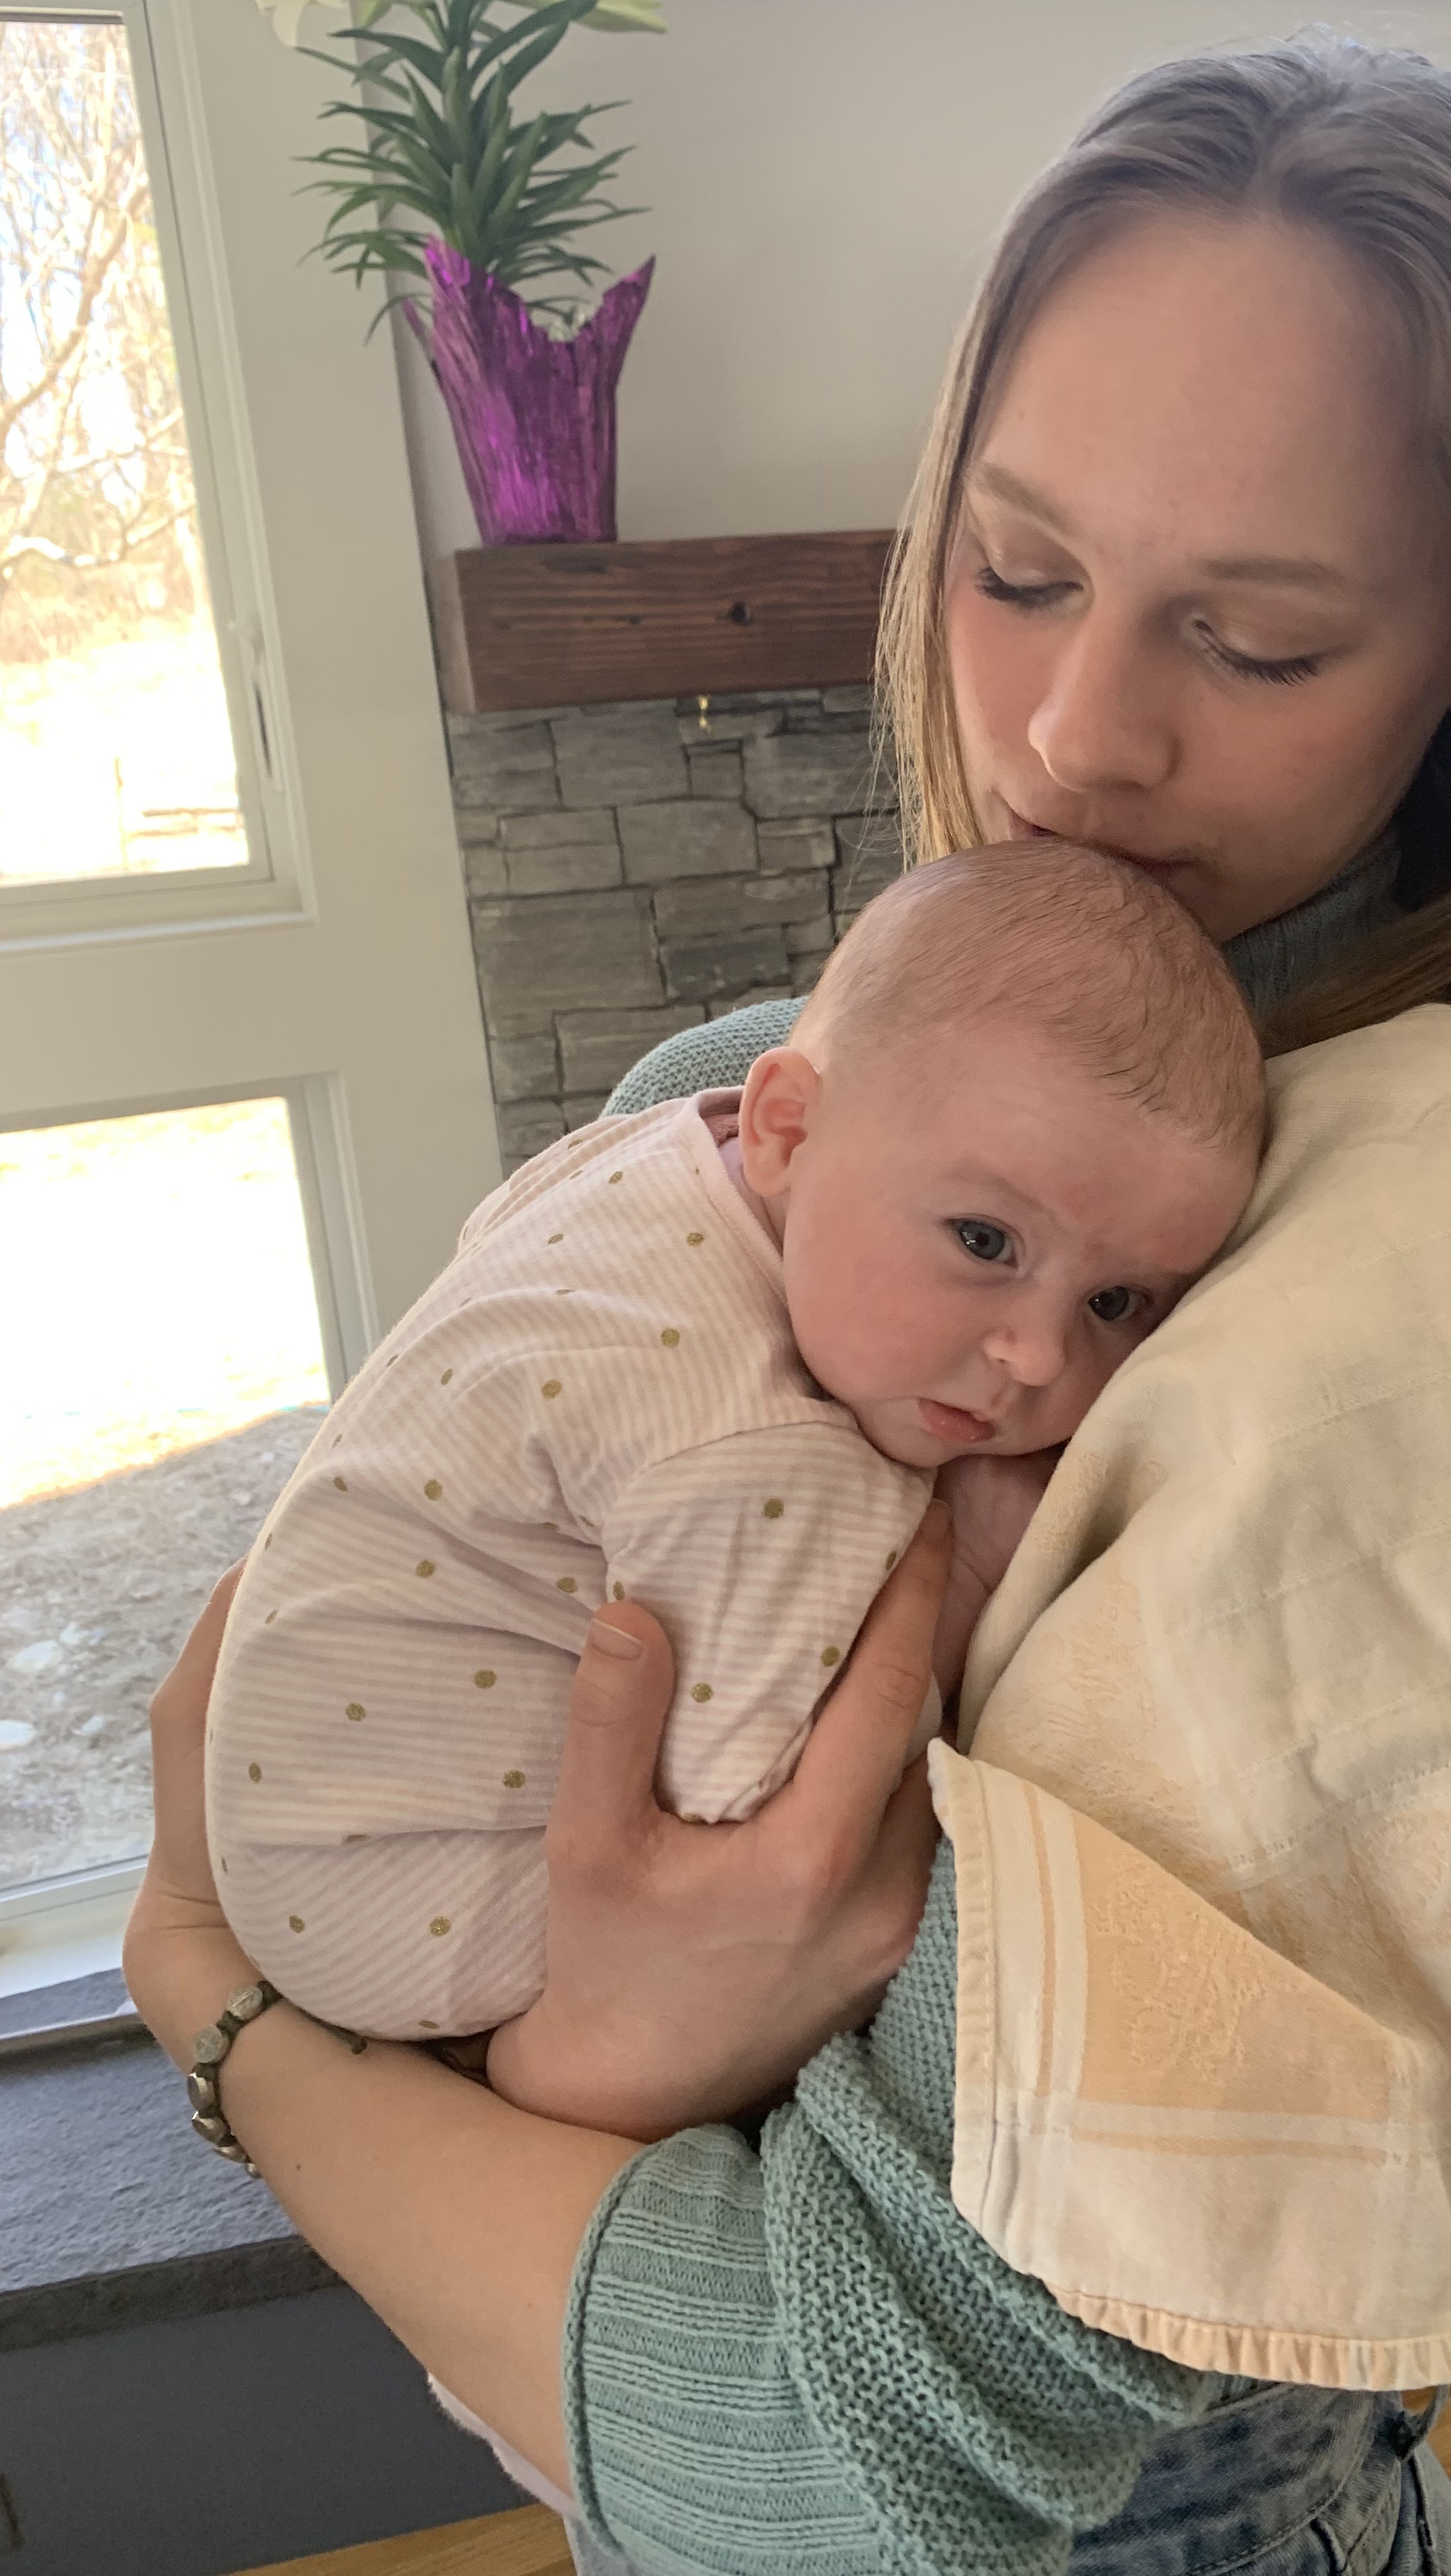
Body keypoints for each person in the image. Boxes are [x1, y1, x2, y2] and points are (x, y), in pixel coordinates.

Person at [127, 37, 1451, 2576]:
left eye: (1256, 638)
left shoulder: (1427, 1296)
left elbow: (826, 2464)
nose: (1071, 735)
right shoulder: (739, 1092)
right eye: (1017, 572)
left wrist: (226, 2011)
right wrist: (579, 2043)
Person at [204, 842, 1262, 2044]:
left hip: (279, 1799)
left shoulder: (654, 1145)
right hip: (403, 1915)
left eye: (1116, 1303)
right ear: (784, 1128)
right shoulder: (763, 1450)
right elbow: (756, 1831)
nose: (1036, 1355)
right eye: (984, 1240)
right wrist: (966, 1572)